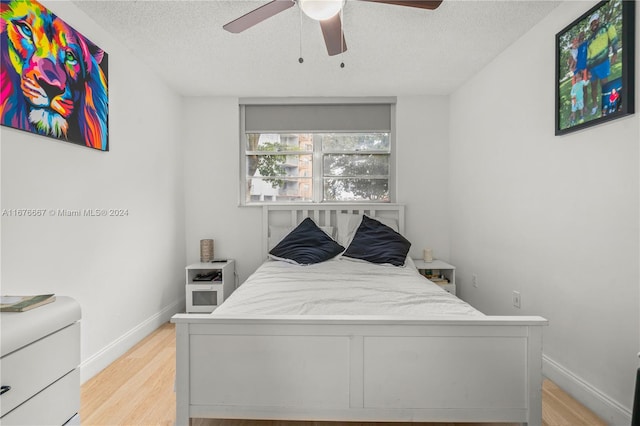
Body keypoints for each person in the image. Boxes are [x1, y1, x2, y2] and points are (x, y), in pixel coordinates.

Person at [586, 11, 619, 116]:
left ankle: (608, 105)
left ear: (598, 20)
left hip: (602, 62)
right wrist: (587, 70)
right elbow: (588, 55)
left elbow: (613, 38)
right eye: (591, 23)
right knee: (593, 87)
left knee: (605, 85)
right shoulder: (589, 39)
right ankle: (595, 105)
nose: (593, 24)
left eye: (595, 21)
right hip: (592, 68)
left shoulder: (606, 27)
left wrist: (615, 52)